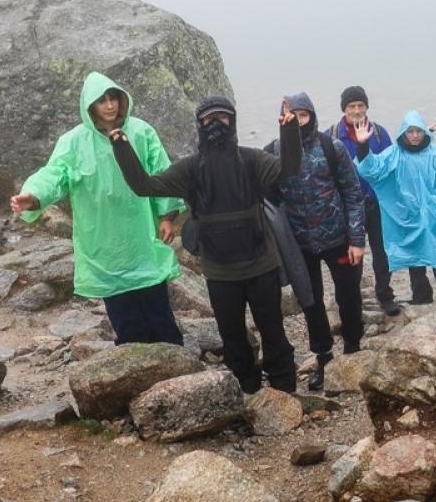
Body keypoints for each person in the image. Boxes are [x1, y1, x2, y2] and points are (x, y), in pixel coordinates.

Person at [111, 97, 301, 393]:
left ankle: (284, 387)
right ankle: (246, 388)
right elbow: (144, 186)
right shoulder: (190, 169)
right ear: (200, 125)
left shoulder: (252, 160)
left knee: (272, 329)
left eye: (222, 118)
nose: (216, 125)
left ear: (233, 121)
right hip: (220, 273)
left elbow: (289, 168)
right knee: (232, 335)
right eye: (209, 120)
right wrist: (122, 147)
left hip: (261, 265)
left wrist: (289, 132)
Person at [11, 73, 185, 345]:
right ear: (89, 106)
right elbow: (55, 175)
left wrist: (167, 216)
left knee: (159, 312)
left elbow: (162, 172)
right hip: (103, 242)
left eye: (113, 97)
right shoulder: (74, 142)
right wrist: (33, 196)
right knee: (125, 320)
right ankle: (135, 373)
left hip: (142, 236)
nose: (109, 105)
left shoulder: (141, 132)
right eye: (101, 100)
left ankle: (177, 370)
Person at [268, 93, 366, 390]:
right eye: (291, 117)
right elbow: (265, 195)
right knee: (311, 302)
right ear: (281, 120)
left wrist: (357, 239)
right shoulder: (274, 151)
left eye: (303, 116)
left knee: (348, 294)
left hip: (338, 238)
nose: (298, 122)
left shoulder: (330, 147)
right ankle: (323, 357)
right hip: (299, 244)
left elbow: (353, 193)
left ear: (312, 116)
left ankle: (352, 349)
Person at [354, 110, 436, 306]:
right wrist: (363, 145)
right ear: (403, 133)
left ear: (424, 131)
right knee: (416, 257)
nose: (414, 135)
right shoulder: (395, 154)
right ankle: (421, 296)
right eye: (410, 131)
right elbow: (372, 168)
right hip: (409, 215)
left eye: (418, 131)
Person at [328, 86, 400, 317]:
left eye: (361, 105)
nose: (357, 110)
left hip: (377, 202)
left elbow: (391, 166)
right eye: (352, 106)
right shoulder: (331, 135)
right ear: (344, 109)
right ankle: (352, 298)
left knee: (382, 251)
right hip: (347, 206)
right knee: (351, 253)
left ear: (367, 107)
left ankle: (384, 293)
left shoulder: (379, 133)